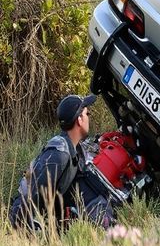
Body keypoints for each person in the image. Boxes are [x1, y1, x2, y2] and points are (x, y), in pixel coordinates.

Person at [9, 94, 114, 231]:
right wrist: (30, 229)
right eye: (87, 114)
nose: (89, 118)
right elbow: (35, 194)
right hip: (24, 217)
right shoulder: (60, 153)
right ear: (79, 119)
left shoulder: (74, 148)